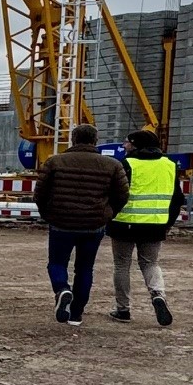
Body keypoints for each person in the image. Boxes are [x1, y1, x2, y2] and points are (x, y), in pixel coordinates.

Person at [33, 123, 129, 325]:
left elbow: (40, 194)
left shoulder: (55, 162)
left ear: (73, 139)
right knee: (85, 269)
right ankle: (76, 314)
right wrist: (107, 214)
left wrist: (48, 214)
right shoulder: (112, 165)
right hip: (93, 225)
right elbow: (122, 196)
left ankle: (62, 289)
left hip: (61, 223)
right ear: (96, 140)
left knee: (57, 263)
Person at [108, 128, 184, 326]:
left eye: (127, 142)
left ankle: (123, 309)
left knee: (122, 265)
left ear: (135, 145)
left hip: (125, 224)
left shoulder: (127, 164)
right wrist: (168, 223)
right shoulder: (169, 165)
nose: (124, 145)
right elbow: (177, 198)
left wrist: (109, 217)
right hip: (155, 224)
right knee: (150, 263)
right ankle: (158, 294)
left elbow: (115, 194)